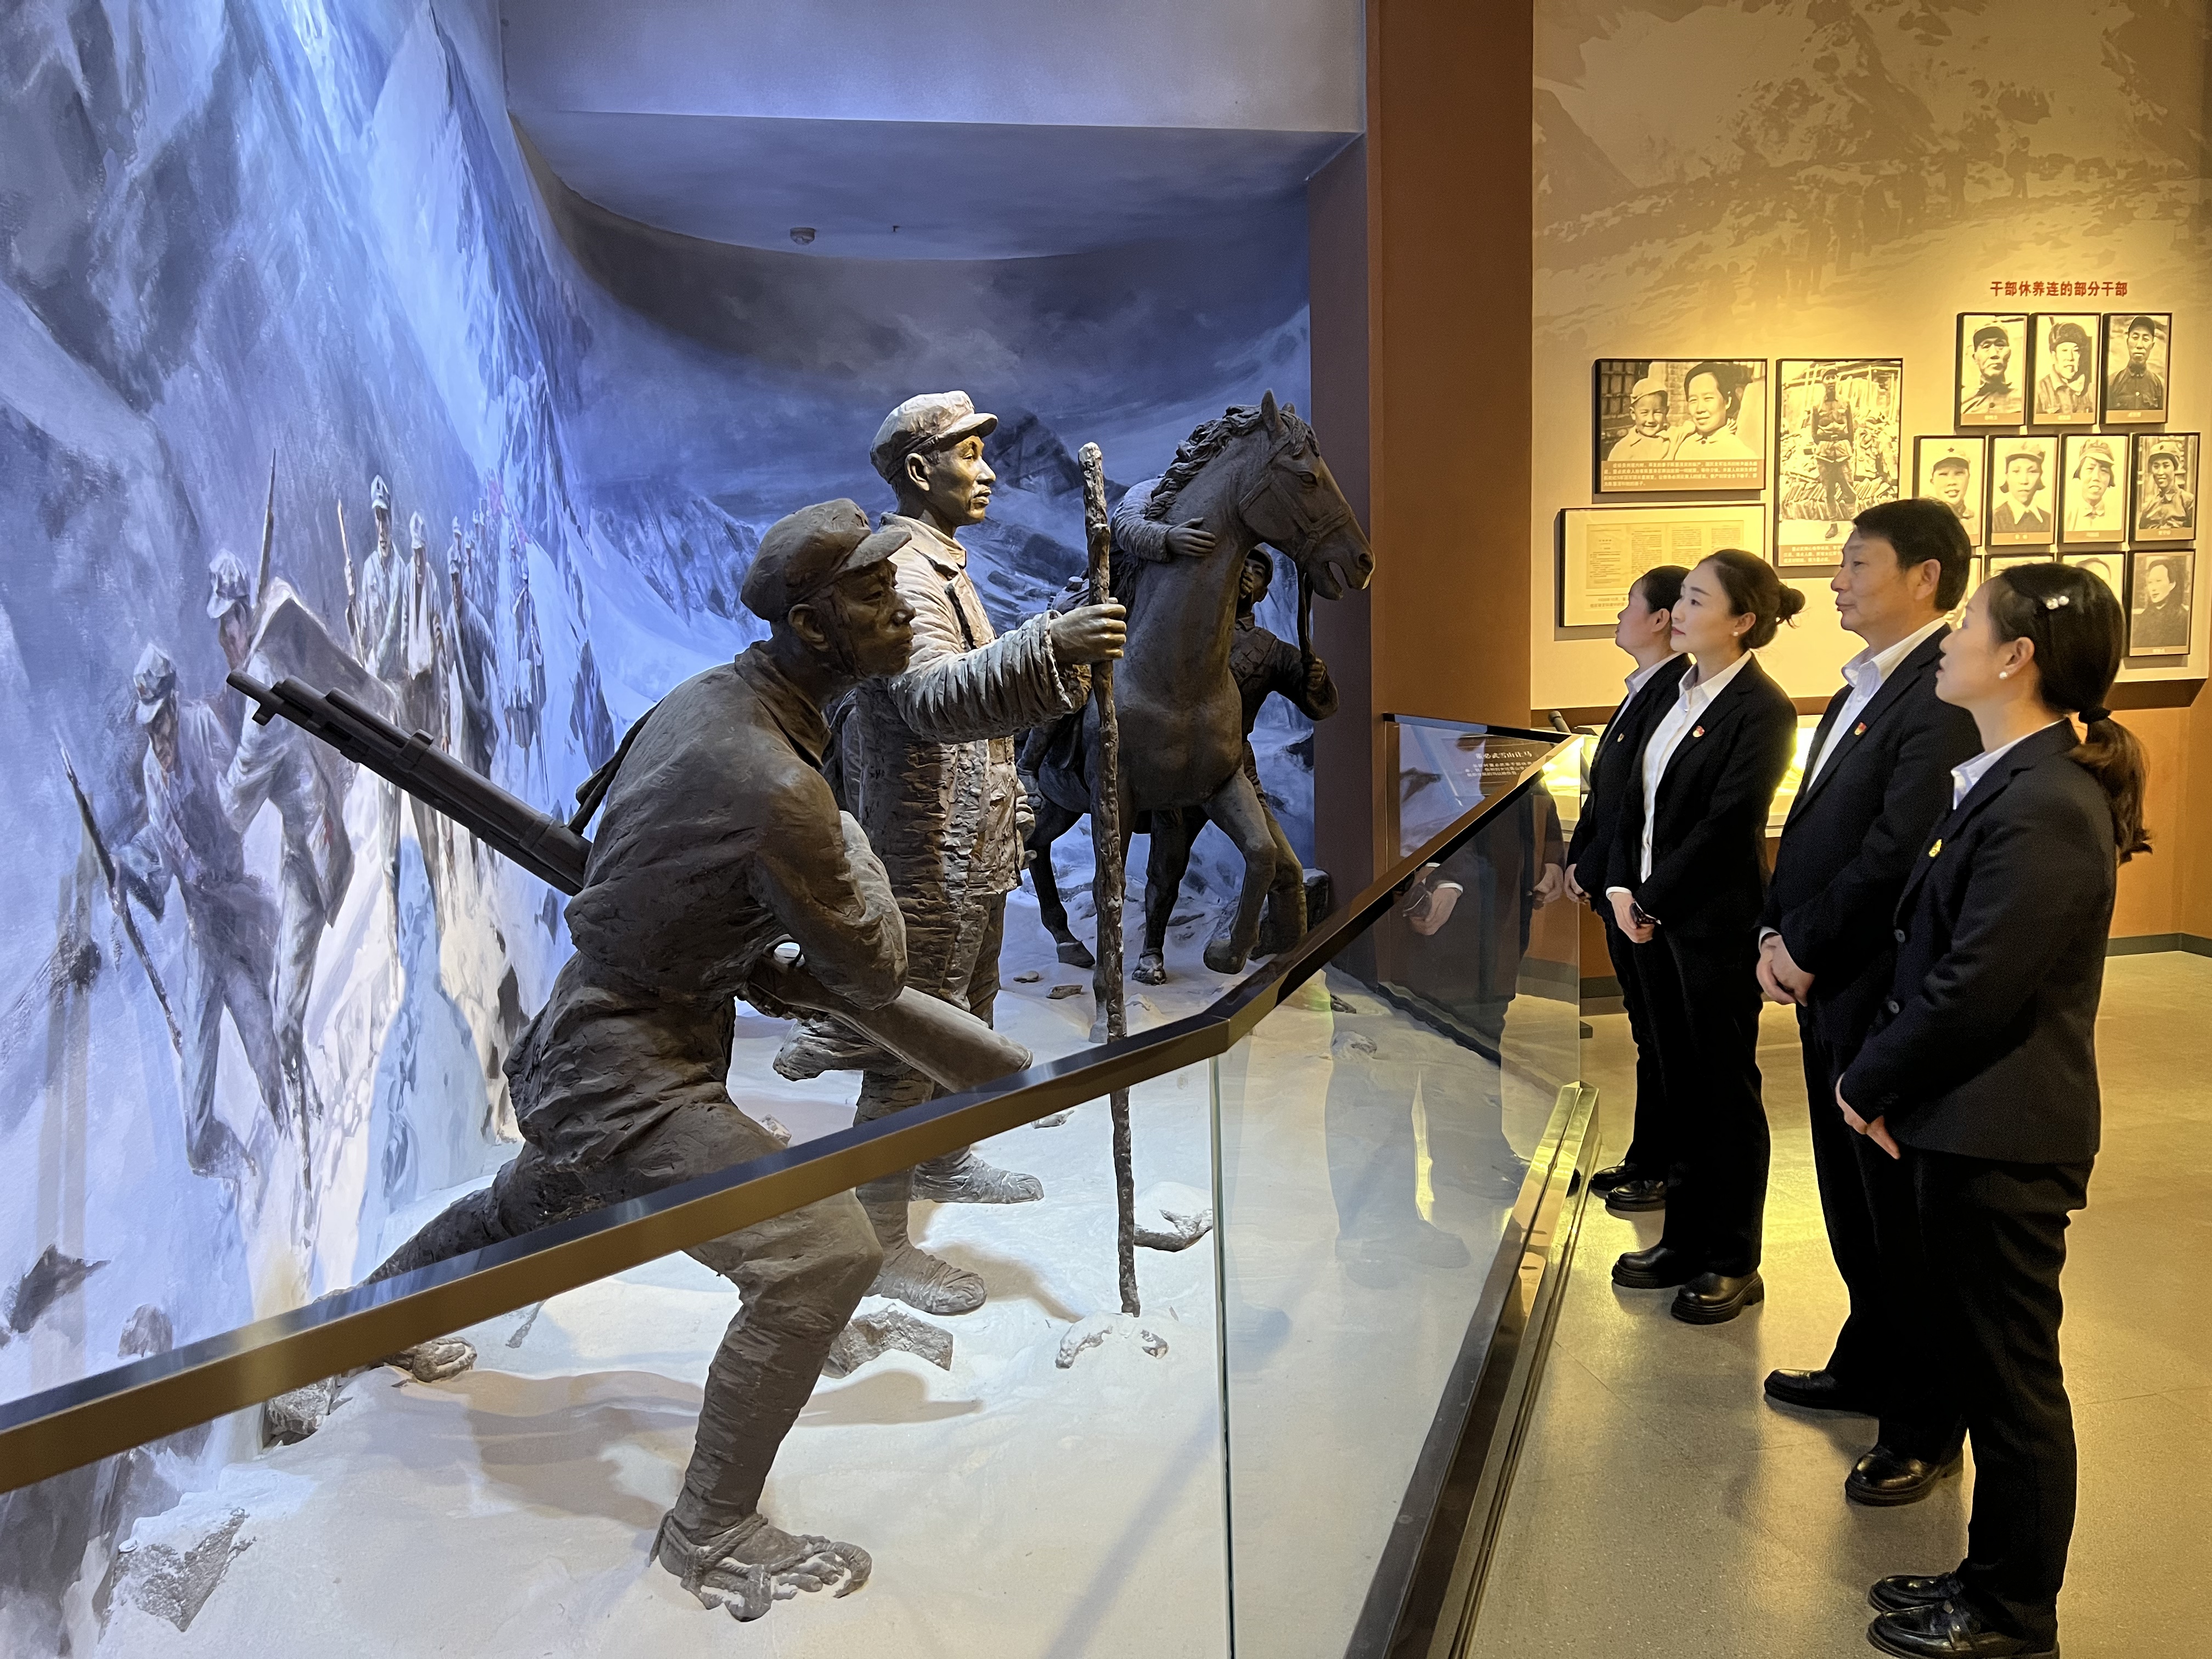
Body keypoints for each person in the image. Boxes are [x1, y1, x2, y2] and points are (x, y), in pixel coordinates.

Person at [362, 502, 929, 1622]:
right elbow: (875, 966)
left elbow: (666, 885)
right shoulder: (780, 782)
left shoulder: (714, 698)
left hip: (612, 1038)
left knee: (535, 1199)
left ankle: (362, 1322)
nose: (900, 604)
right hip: (623, 1065)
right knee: (819, 1255)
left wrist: (748, 947)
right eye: (872, 591)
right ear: (812, 625)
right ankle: (713, 1529)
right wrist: (848, 837)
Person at [1840, 562, 2147, 1659]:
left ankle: (2015, 1611)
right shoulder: (2011, 778)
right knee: (1983, 1367)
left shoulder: (2047, 800)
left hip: (2004, 1136)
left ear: (2016, 657)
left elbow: (1976, 986)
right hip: (1965, 1124)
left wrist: (1866, 1080)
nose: (1950, 637)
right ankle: (1984, 1577)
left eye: (1967, 621)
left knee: (2013, 1387)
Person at [824, 391, 1126, 1317]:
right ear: (919, 471)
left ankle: (944, 1155)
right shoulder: (899, 573)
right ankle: (877, 1239)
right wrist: (1050, 643)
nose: (986, 470)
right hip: (922, 849)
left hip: (972, 841)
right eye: (967, 453)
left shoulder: (941, 562)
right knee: (909, 1043)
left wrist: (1015, 789)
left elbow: (979, 715)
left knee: (970, 1012)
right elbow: (929, 700)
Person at [1754, 501, 1981, 1504]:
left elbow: (1894, 852)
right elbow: (1817, 829)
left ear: (1923, 577)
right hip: (1827, 978)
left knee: (1898, 1214)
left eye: (1856, 563)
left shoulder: (1936, 695)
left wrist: (1804, 946)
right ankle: (1869, 1358)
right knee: (1850, 1199)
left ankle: (1924, 1424)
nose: (1836, 580)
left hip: (1875, 986)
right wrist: (1779, 934)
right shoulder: (1870, 682)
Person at [1602, 550, 1801, 1322]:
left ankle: (1732, 1258)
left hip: (1712, 925)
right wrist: (1624, 888)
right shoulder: (1675, 693)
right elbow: (1633, 803)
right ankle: (1683, 1240)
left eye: (1695, 601)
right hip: (1653, 918)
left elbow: (1728, 825)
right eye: (1679, 598)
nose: (1678, 613)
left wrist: (1651, 900)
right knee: (1679, 1085)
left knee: (1723, 1092)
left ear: (1742, 621)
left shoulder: (1762, 708)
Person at [116, 645, 289, 1183]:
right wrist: (126, 870)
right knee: (194, 1131)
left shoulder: (200, 728)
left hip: (235, 919)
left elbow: (238, 795)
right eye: (150, 729)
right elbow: (164, 852)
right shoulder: (153, 770)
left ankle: (301, 1154)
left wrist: (222, 871)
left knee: (267, 1056)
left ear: (174, 704)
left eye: (162, 723)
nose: (159, 738)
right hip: (202, 938)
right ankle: (239, 1167)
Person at [1136, 546, 1336, 982]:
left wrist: (1316, 681)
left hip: (1234, 770)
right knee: (1166, 868)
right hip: (1181, 768)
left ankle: (1290, 964)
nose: (1247, 573)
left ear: (1263, 592)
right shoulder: (1190, 633)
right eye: (1241, 565)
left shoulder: (1270, 650)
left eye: (1258, 571)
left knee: (1285, 868)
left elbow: (1318, 706)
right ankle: (1151, 950)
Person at [1568, 566, 1690, 1213]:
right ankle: (1647, 1155)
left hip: (1641, 893)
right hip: (1618, 886)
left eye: (1629, 605)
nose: (1620, 615)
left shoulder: (1672, 692)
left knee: (1663, 1034)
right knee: (1647, 1031)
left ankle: (1666, 1165)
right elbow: (1605, 791)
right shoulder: (1647, 688)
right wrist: (1581, 860)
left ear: (1660, 619)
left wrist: (1595, 869)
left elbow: (1635, 805)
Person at [1672, 362, 1756, 462]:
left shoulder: (1742, 454)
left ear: (1727, 401)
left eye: (1708, 398)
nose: (1700, 409)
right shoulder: (1684, 448)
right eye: (1693, 400)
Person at [1808, 377, 1859, 532]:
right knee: (1829, 491)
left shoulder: (1846, 403)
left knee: (1848, 489)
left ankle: (1856, 525)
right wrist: (1825, 443)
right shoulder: (1816, 406)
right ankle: (1833, 525)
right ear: (1823, 382)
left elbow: (1851, 429)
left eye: (1833, 377)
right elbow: (1814, 433)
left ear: (1837, 381)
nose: (1831, 381)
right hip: (1824, 453)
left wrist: (1848, 447)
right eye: (1827, 378)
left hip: (1843, 451)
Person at [2033, 321, 2094, 419]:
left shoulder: (2092, 389)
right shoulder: (2039, 390)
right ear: (2054, 356)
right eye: (2064, 350)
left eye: (2076, 351)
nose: (2070, 358)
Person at [1607, 377, 1674, 465]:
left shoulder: (1674, 437)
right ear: (1633, 413)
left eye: (1657, 412)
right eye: (1644, 413)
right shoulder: (1623, 449)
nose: (1651, 420)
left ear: (1666, 412)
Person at [2063, 439, 2121, 538]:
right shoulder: (2065, 518)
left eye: (2104, 470)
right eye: (2090, 469)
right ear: (2079, 474)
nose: (2096, 477)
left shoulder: (2119, 520)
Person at [1960, 323, 2019, 421]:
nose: (1994, 354)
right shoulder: (1962, 404)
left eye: (2000, 345)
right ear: (1975, 358)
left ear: (2009, 354)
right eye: (1986, 347)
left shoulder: (2024, 401)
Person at [2105, 315, 2165, 412]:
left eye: (2146, 339)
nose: (2139, 345)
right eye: (2135, 338)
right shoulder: (2111, 383)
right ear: (2128, 342)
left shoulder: (2160, 386)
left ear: (2152, 345)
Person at [2136, 441, 2196, 535]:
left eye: (2166, 466)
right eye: (2156, 467)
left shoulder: (2188, 502)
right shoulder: (2148, 507)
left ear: (2175, 468)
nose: (2160, 472)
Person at [2130, 555, 2188, 651]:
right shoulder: (2146, 615)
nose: (2153, 588)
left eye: (2158, 581)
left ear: (2172, 584)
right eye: (2150, 582)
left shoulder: (2181, 616)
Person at [1989, 448, 2051, 538]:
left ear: (2040, 476)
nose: (2024, 481)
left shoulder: (2051, 521)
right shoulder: (1992, 520)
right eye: (2016, 471)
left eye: (2032, 472)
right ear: (2007, 476)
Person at [1926, 449, 1980, 544]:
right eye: (1943, 474)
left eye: (1959, 474)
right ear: (1932, 481)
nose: (1952, 482)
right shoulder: (1923, 521)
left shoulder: (1979, 522)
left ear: (1968, 478)